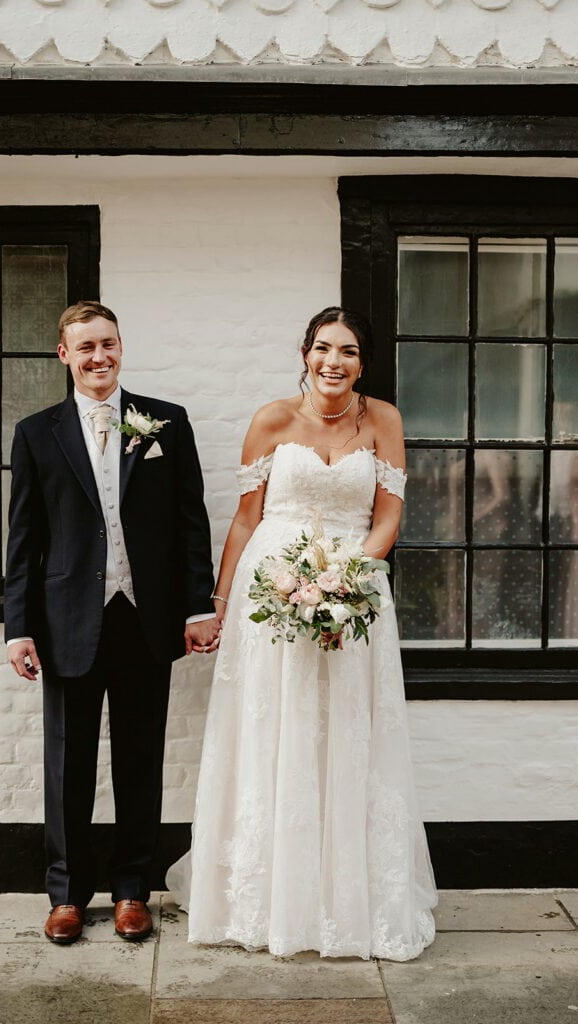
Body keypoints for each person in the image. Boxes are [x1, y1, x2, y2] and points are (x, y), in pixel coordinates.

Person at [167, 306, 437, 960]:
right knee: (270, 729)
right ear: (306, 352)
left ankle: (344, 903)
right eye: (323, 348)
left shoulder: (385, 423)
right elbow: (243, 518)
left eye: (347, 351)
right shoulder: (272, 420)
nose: (333, 362)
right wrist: (221, 600)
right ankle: (265, 900)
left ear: (362, 362)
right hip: (272, 596)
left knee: (345, 732)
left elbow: (390, 516)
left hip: (355, 590)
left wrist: (345, 578)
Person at [5, 300, 220, 945]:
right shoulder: (36, 433)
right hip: (67, 619)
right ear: (64, 355)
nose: (100, 357)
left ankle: (132, 890)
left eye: (109, 344)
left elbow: (191, 522)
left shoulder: (165, 423)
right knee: (67, 763)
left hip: (145, 618)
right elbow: (23, 540)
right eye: (85, 347)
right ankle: (67, 895)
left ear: (121, 346)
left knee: (139, 759)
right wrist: (18, 626)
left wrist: (198, 604)